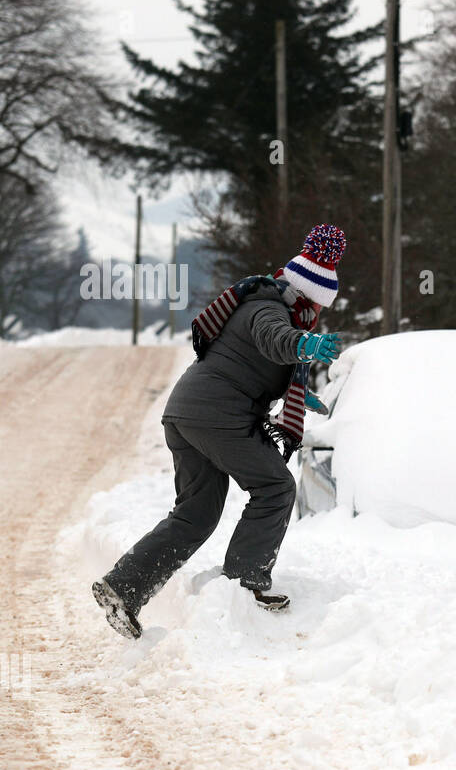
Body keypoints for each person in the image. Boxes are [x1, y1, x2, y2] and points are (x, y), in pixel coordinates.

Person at [92, 224, 347, 639]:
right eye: (317, 307)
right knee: (276, 486)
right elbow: (275, 340)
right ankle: (244, 584)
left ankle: (124, 587)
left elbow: (254, 360)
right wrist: (305, 345)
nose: (317, 316)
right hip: (217, 416)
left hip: (186, 414)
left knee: (195, 514)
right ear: (306, 296)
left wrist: (301, 394)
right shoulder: (268, 309)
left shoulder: (262, 300)